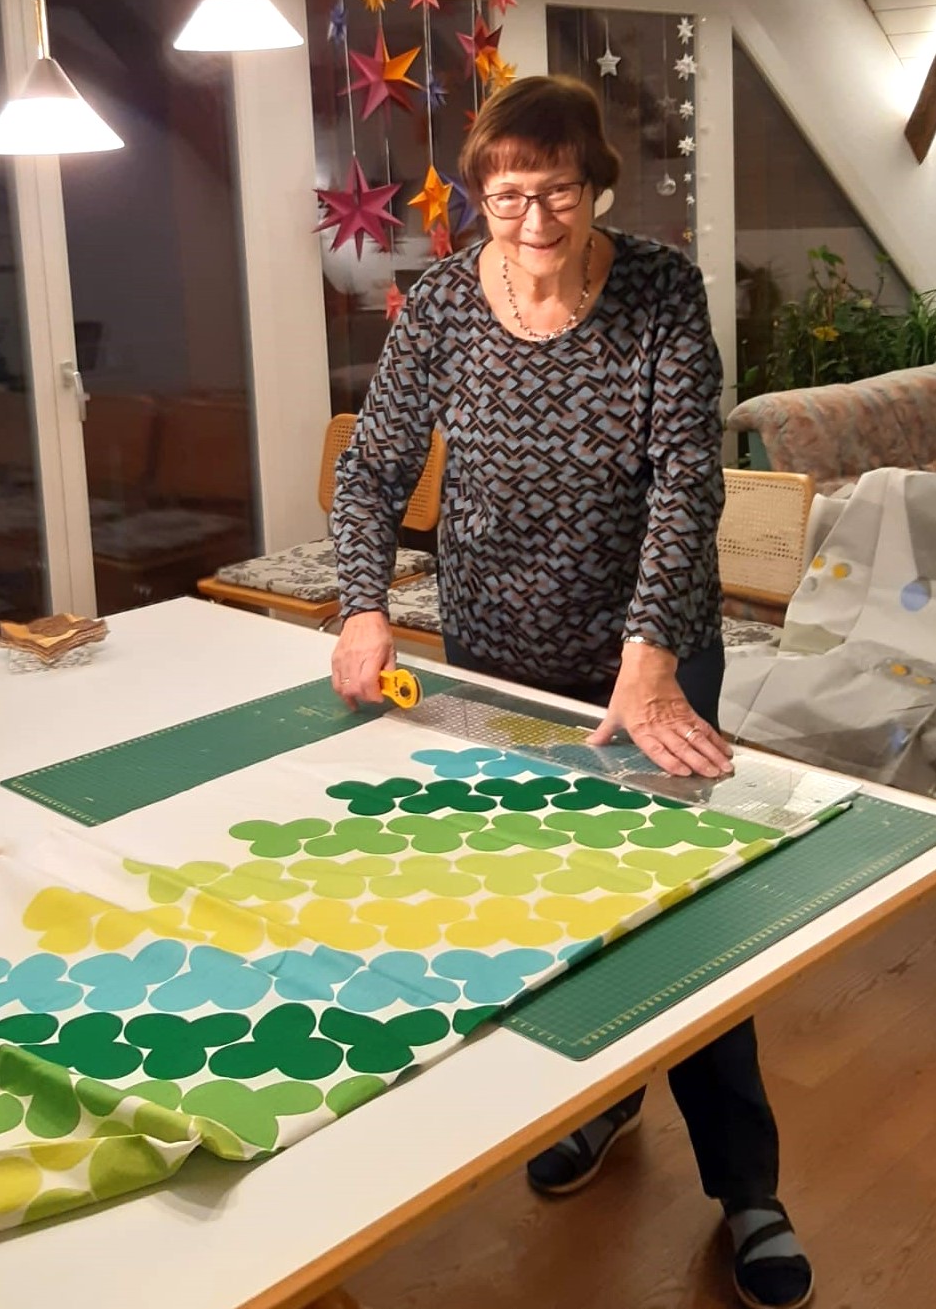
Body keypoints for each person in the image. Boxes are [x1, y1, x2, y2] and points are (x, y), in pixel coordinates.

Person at [330, 75, 813, 1309]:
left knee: (685, 919)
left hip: (647, 661)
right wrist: (361, 603)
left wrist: (649, 653)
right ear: (476, 195)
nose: (532, 217)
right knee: (542, 903)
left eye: (556, 190)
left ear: (597, 186)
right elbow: (376, 462)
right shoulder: (442, 299)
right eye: (505, 194)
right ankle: (595, 1102)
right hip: (492, 651)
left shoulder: (657, 290)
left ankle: (748, 1188)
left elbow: (683, 485)